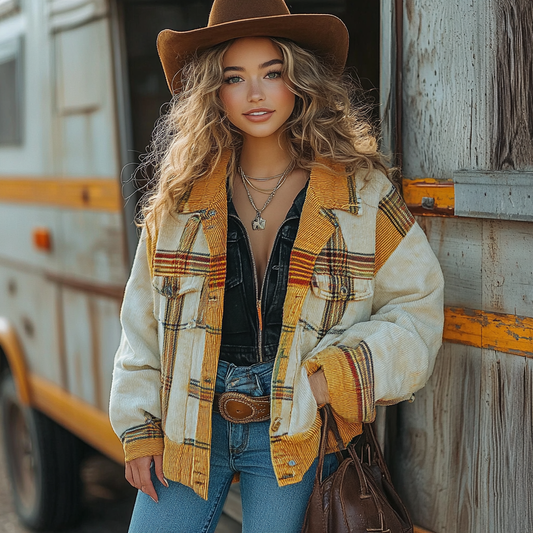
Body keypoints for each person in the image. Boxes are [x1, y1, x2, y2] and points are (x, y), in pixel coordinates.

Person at [109, 0, 445, 531]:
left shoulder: (360, 195)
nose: (256, 94)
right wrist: (139, 427)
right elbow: (141, 325)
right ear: (212, 91)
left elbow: (418, 311)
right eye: (234, 77)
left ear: (299, 78)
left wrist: (329, 379)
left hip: (299, 429)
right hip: (190, 421)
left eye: (273, 72)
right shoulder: (180, 202)